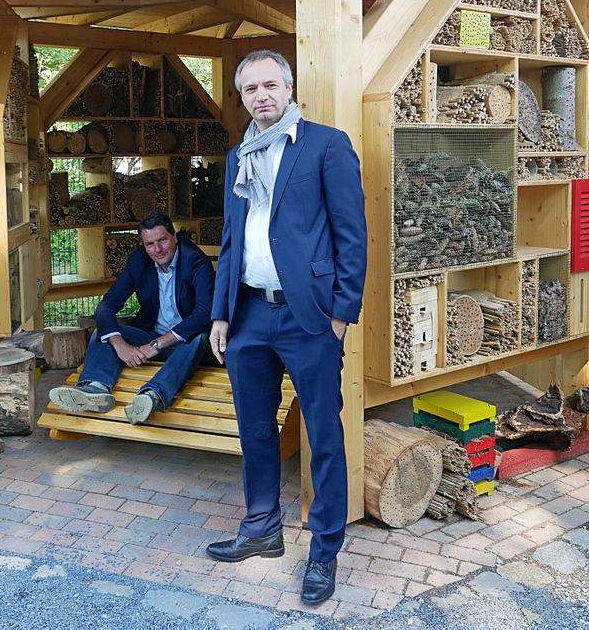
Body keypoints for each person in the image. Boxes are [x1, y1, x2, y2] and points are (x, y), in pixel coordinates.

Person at [205, 50, 367, 606]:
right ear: (242, 97)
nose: (260, 96)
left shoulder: (325, 144)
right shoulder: (236, 158)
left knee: (323, 434)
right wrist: (221, 313)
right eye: (250, 90)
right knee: (254, 429)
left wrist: (341, 316)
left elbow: (352, 235)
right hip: (249, 313)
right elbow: (231, 239)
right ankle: (262, 529)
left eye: (269, 85)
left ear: (289, 87)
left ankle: (324, 551)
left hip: (311, 319)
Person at [49, 212, 214, 424]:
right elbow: (106, 306)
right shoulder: (138, 261)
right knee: (104, 332)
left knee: (198, 337)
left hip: (191, 346)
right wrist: (120, 345)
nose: (157, 250)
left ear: (174, 236)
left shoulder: (195, 261)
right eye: (150, 244)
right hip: (152, 338)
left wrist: (156, 344)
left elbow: (203, 313)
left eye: (162, 240)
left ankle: (152, 396)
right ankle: (95, 390)